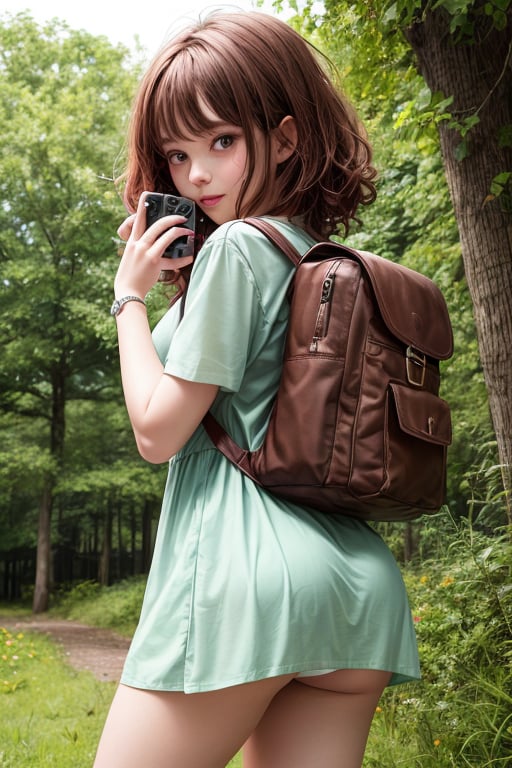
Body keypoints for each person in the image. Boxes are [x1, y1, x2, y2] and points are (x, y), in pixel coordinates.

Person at [93, 10, 420, 768]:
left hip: (244, 585)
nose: (196, 174)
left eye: (222, 141)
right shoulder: (309, 251)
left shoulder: (238, 249)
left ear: (286, 136)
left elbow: (157, 431)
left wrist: (130, 298)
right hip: (353, 589)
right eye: (176, 154)